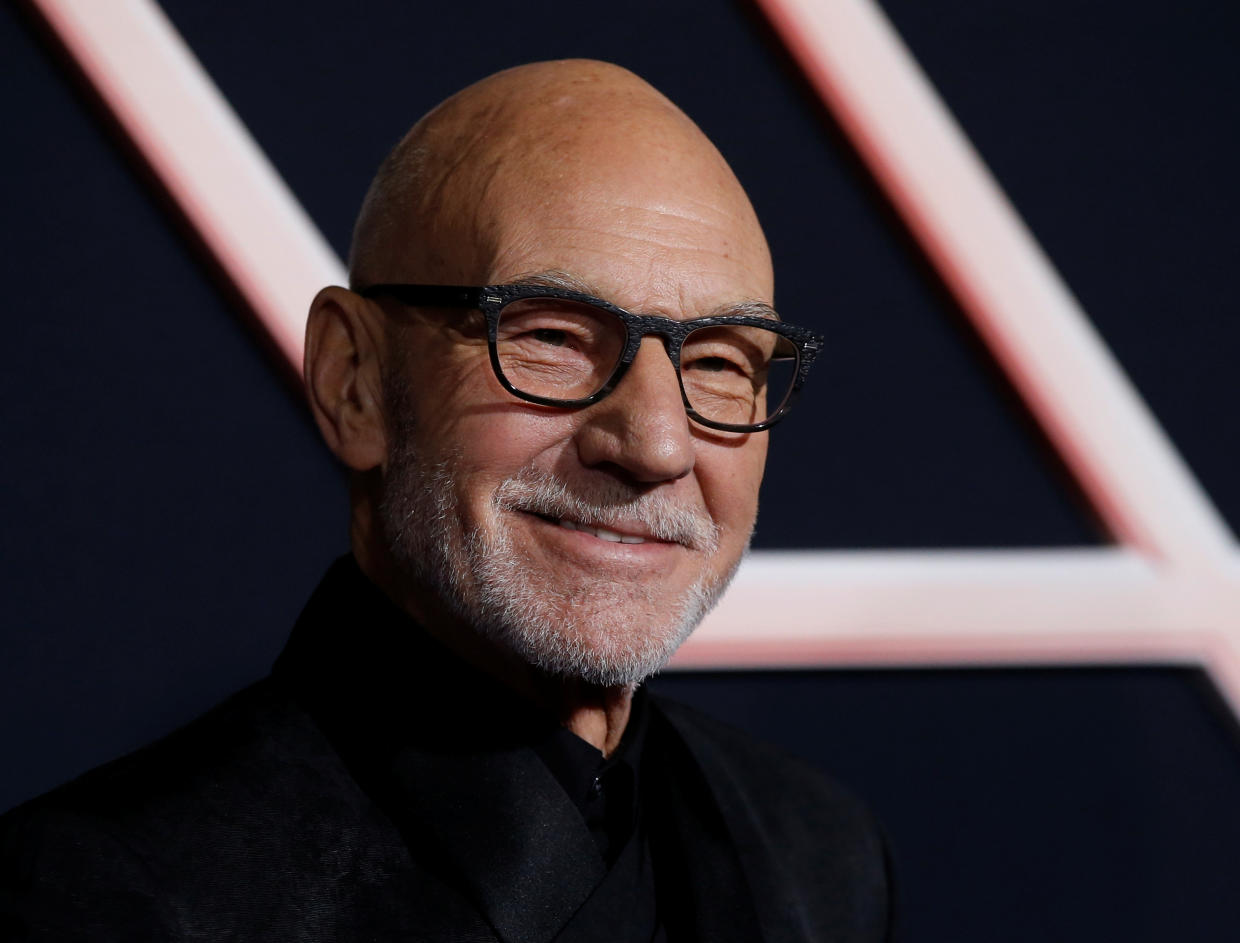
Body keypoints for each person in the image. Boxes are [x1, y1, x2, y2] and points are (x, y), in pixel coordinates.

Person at [0, 60, 892, 941]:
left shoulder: (815, 854)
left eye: (718, 363)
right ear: (356, 381)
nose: (656, 444)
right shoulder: (108, 897)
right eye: (552, 337)